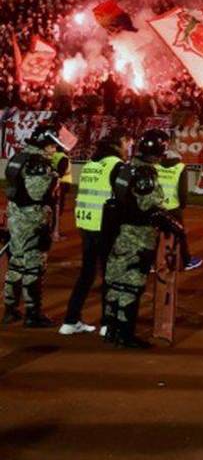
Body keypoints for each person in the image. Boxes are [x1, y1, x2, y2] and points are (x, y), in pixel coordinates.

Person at [102, 129, 186, 348]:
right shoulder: (145, 173)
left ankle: (111, 328)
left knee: (115, 282)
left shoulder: (124, 168)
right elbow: (151, 207)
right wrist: (175, 226)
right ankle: (125, 334)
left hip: (119, 231)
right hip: (137, 234)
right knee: (131, 285)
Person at [60, 134, 124, 335]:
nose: (128, 147)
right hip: (105, 226)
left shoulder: (89, 165)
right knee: (109, 276)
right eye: (126, 142)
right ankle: (107, 324)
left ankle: (70, 321)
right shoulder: (116, 165)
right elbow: (121, 196)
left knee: (86, 275)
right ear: (116, 146)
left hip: (86, 224)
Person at [3, 125, 64, 327]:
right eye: (52, 146)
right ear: (44, 145)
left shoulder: (19, 157)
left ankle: (10, 309)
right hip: (31, 220)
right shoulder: (38, 163)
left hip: (16, 217)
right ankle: (33, 313)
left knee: (16, 263)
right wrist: (54, 176)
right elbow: (37, 194)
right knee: (33, 267)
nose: (54, 150)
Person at [157, 147, 200, 271]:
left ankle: (151, 263)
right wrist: (182, 205)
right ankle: (187, 261)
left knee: (154, 235)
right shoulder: (180, 167)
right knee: (180, 234)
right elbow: (182, 191)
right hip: (173, 207)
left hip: (157, 206)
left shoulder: (156, 166)